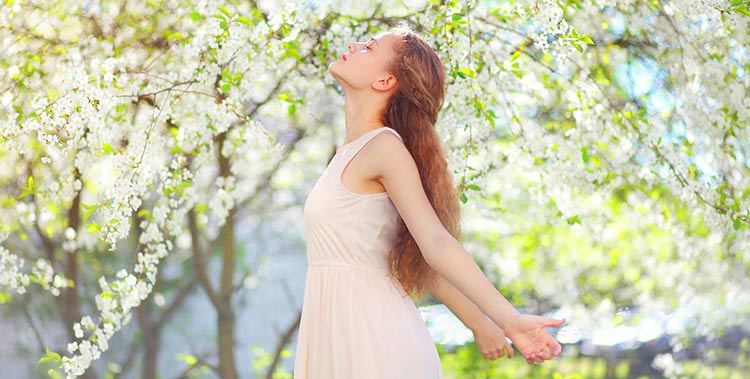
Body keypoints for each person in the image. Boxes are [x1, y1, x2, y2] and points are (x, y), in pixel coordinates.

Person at [293, 24, 566, 379]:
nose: (353, 44)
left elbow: (435, 242)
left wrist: (507, 318)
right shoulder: (351, 152)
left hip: (371, 337)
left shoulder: (384, 147)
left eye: (369, 47)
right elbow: (412, 254)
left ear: (384, 81)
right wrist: (477, 323)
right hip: (338, 327)